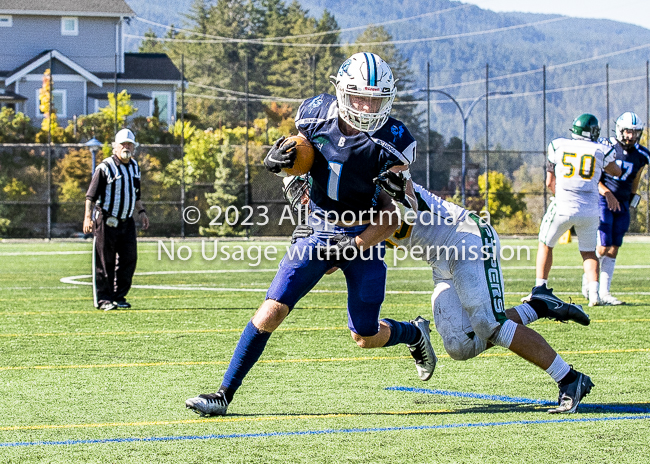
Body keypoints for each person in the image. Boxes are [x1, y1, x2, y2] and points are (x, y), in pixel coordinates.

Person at [186, 52, 436, 417]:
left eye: (375, 99)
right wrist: (279, 160)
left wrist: (352, 246)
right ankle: (223, 394)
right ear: (340, 92)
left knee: (364, 335)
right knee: (271, 310)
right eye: (359, 97)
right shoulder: (315, 114)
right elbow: (300, 157)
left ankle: (413, 334)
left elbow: (396, 217)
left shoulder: (394, 140)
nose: (367, 107)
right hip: (318, 227)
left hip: (363, 233)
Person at [289, 174, 595, 414]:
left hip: (467, 239)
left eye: (306, 190)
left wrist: (339, 243)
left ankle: (569, 378)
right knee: (460, 346)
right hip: (440, 259)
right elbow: (332, 261)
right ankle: (537, 306)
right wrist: (314, 248)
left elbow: (401, 211)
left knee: (491, 325)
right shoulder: (338, 210)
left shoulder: (368, 181)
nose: (306, 200)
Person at [531, 114, 621, 307]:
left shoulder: (558, 145)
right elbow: (616, 172)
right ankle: (595, 294)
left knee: (546, 244)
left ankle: (540, 288)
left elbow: (549, 182)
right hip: (589, 209)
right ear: (593, 132)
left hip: (563, 205)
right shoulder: (601, 149)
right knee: (589, 252)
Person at [582, 112, 649, 305]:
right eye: (628, 131)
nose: (631, 136)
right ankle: (588, 283)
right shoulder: (605, 146)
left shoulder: (642, 154)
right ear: (619, 130)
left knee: (614, 247)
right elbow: (594, 175)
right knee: (603, 245)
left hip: (622, 202)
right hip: (604, 199)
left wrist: (631, 199)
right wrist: (606, 193)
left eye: (635, 132)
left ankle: (605, 291)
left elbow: (636, 178)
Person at [83, 128, 149, 311]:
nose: (126, 147)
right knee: (105, 261)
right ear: (115, 147)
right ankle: (104, 299)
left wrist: (142, 212)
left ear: (134, 147)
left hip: (127, 221)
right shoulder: (104, 167)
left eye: (130, 144)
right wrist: (88, 218)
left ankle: (119, 296)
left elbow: (136, 194)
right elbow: (91, 196)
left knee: (129, 258)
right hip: (106, 220)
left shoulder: (135, 167)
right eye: (123, 144)